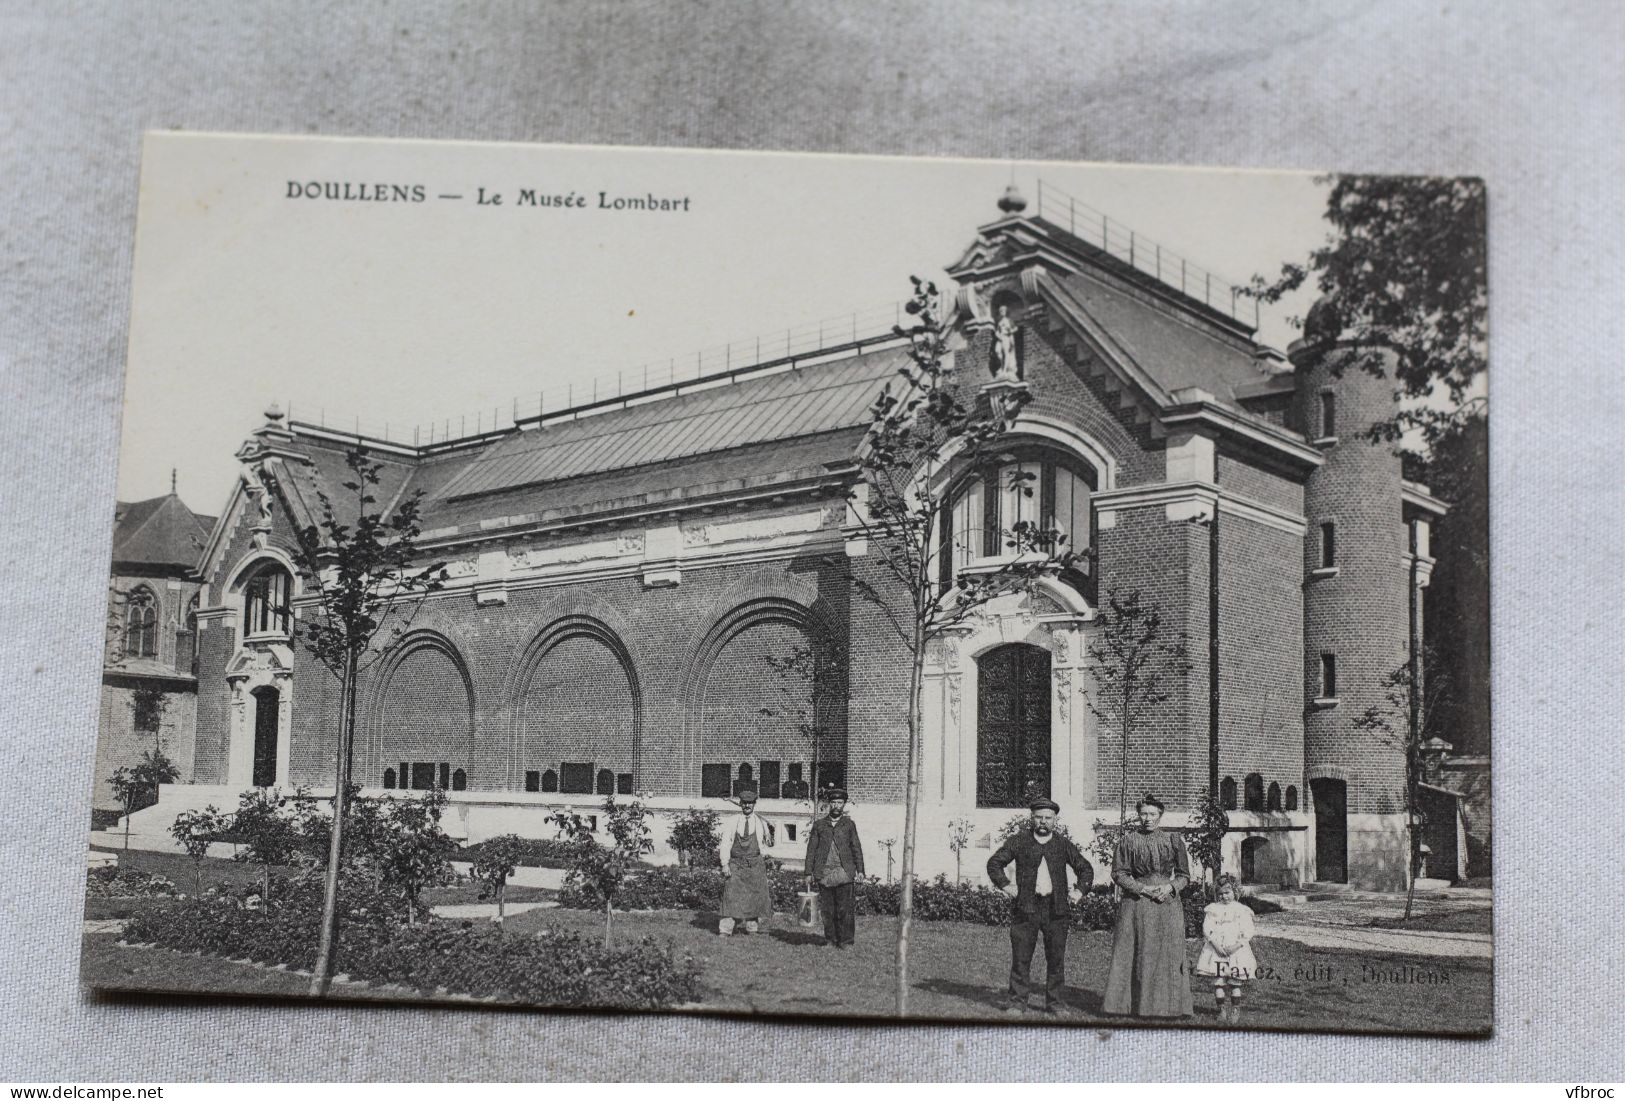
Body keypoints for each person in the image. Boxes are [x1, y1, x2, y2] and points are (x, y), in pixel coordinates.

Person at [986, 797, 1096, 1016]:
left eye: (1048, 818)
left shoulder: (1063, 844)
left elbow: (1085, 868)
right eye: (1039, 817)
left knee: (1056, 959)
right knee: (1021, 957)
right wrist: (1007, 886)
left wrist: (1079, 891)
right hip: (1026, 907)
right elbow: (995, 863)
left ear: (1055, 820)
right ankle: (1017, 1002)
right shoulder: (1019, 841)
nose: (1043, 822)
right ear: (1032, 818)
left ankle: (1055, 1004)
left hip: (1056, 910)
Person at [1102, 794, 1196, 1018]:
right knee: (1132, 951)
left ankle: (1170, 1007)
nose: (1147, 818)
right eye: (1143, 813)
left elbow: (1184, 876)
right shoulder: (1128, 841)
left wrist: (1171, 887)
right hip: (1136, 904)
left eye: (1152, 814)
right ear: (1138, 815)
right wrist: (1141, 889)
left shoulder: (1173, 841)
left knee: (1167, 954)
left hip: (1167, 904)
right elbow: (1119, 873)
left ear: (1160, 815)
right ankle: (1126, 1006)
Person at [804, 788, 865, 947]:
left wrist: (860, 870)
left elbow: (856, 847)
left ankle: (846, 941)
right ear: (829, 804)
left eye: (840, 803)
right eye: (833, 802)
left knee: (845, 910)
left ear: (844, 804)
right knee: (828, 911)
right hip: (824, 872)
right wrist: (808, 872)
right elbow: (811, 850)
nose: (837, 805)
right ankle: (830, 940)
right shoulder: (819, 825)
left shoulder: (849, 825)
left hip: (844, 871)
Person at [1196, 874, 1258, 1025]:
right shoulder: (1213, 909)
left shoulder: (1242, 910)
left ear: (1235, 892)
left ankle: (1235, 1009)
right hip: (1217, 950)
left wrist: (1236, 946)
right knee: (1219, 981)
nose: (1224, 896)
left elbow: (1248, 931)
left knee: (1235, 981)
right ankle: (1221, 1009)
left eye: (1227, 893)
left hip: (1236, 951)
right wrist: (1216, 945)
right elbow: (1207, 929)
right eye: (1221, 894)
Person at [717, 787, 774, 935]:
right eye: (744, 803)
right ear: (740, 803)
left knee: (755, 896)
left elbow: (768, 845)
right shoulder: (732, 821)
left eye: (750, 803)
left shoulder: (761, 822)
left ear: (754, 804)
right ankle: (725, 929)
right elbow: (725, 844)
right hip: (736, 863)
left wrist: (771, 832)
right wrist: (724, 864)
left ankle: (752, 928)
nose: (747, 806)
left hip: (755, 864)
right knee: (730, 895)